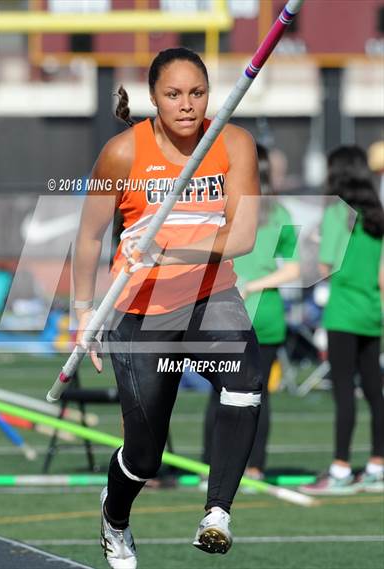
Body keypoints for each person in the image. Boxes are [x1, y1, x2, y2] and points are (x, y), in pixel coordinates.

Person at [73, 47, 262, 569]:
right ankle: (114, 519)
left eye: (197, 93)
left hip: (209, 294)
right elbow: (88, 239)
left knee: (246, 382)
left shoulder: (234, 143)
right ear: (152, 97)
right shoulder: (121, 153)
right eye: (173, 94)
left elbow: (242, 235)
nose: (187, 105)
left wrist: (174, 249)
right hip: (140, 309)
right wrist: (84, 313)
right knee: (143, 456)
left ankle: (217, 513)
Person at [202, 144, 300, 481]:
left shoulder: (223, 209)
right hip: (265, 314)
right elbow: (294, 268)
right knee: (259, 396)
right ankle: (255, 466)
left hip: (228, 312)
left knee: (220, 392)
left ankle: (208, 466)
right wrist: (259, 284)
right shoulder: (281, 213)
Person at [301, 145, 384, 495]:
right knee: (374, 390)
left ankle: (340, 468)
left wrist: (315, 242)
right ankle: (378, 465)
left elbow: (323, 268)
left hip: (343, 314)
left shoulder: (337, 214)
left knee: (344, 394)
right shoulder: (377, 216)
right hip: (372, 311)